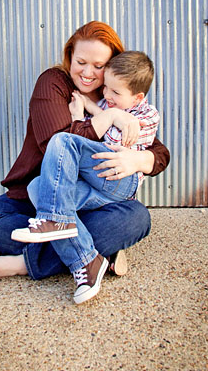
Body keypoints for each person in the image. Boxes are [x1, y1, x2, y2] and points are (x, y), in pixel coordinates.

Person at [0, 21, 170, 289]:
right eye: (81, 61)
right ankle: (93, 250)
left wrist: (139, 160)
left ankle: (22, 264)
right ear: (70, 55)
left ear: (110, 66)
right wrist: (109, 116)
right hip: (39, 196)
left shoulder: (116, 91)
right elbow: (55, 144)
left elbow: (159, 151)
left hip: (91, 202)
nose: (88, 73)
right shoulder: (52, 83)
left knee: (136, 218)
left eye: (99, 67)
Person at [9, 51, 160, 304]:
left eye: (115, 93)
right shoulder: (110, 106)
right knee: (38, 188)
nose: (107, 97)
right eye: (107, 90)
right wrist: (103, 111)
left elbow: (108, 146)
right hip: (95, 183)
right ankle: (87, 261)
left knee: (63, 141)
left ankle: (51, 224)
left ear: (138, 97)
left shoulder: (145, 116)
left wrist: (82, 117)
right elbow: (96, 131)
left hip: (119, 180)